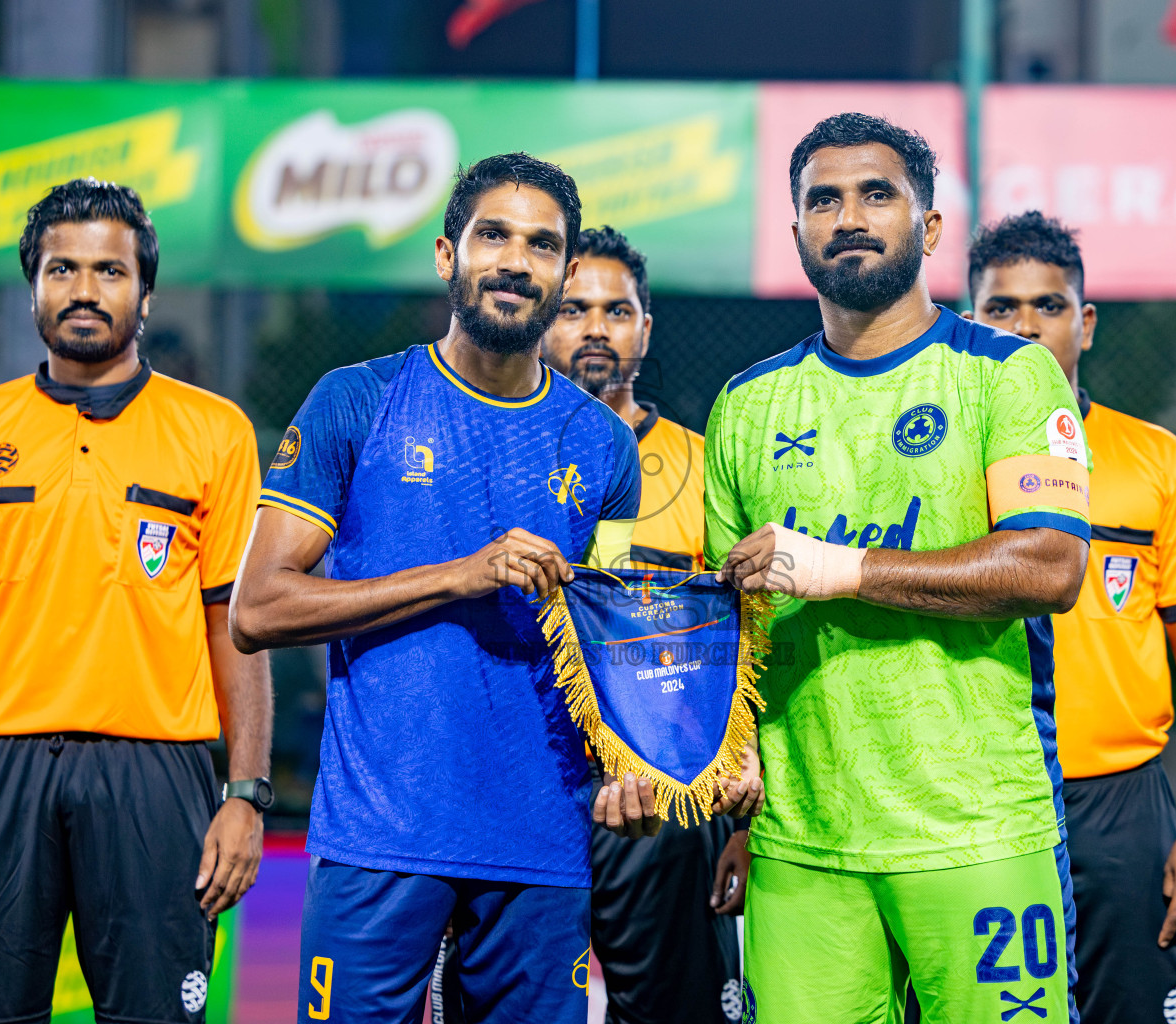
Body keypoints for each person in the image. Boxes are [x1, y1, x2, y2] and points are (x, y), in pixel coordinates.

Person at [231, 154, 761, 1024]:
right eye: (495, 236)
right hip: (381, 838)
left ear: (561, 273)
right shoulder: (357, 400)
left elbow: (611, 641)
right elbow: (259, 609)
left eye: (544, 245)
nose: (517, 261)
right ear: (448, 255)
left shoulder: (602, 449)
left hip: (543, 846)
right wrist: (460, 575)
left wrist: (630, 774)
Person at [706, 112, 1090, 1024]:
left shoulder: (1010, 374)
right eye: (823, 199)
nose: (849, 216)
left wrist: (840, 570)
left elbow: (1050, 567)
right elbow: (727, 631)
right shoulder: (746, 404)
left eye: (877, 194)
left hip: (977, 827)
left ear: (928, 228)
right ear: (795, 228)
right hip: (801, 844)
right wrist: (735, 795)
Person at [0, 178, 271, 1024]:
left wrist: (246, 794)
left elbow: (235, 631)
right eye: (62, 269)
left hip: (157, 771)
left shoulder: (217, 433)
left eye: (109, 271)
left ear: (145, 291)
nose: (85, 290)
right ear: (34, 287)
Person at [968, 211, 1176, 1024]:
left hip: (1123, 806)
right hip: (983, 793)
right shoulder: (942, 461)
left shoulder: (1155, 460)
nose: (1024, 326)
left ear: (1084, 324)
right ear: (969, 324)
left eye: (1048, 306)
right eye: (1000, 308)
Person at [541, 225, 748, 1023]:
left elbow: (744, 649)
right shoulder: (505, 455)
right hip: (527, 795)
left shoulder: (703, 467)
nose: (596, 328)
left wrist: (741, 822)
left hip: (666, 806)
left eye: (617, 311)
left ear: (645, 329)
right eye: (573, 308)